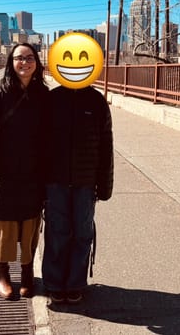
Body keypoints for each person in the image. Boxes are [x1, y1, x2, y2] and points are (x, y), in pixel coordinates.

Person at [0, 43, 49, 300]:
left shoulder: (42, 93)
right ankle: (3, 275)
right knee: (3, 229)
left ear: (37, 63)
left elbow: (52, 133)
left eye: (29, 58)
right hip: (1, 175)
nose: (24, 63)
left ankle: (27, 274)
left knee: (29, 227)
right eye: (19, 58)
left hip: (32, 174)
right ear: (10, 62)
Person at [42, 84, 113, 304]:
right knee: (57, 231)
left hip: (86, 182)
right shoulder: (52, 99)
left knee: (83, 233)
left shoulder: (96, 100)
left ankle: (75, 283)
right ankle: (54, 283)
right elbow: (40, 143)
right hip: (55, 181)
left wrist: (105, 185)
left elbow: (106, 145)